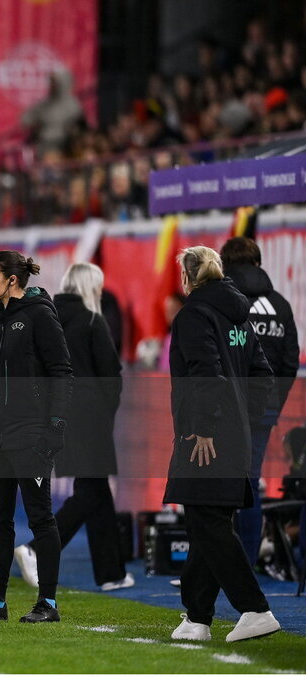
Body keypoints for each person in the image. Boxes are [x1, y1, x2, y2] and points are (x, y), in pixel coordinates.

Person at [164, 246, 280, 643]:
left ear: (188, 276)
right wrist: (240, 421)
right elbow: (263, 377)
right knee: (207, 521)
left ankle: (255, 608)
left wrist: (208, 427)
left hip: (206, 437)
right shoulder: (240, 317)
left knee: (207, 523)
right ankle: (197, 619)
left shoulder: (193, 315)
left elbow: (206, 375)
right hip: (233, 434)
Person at [0, 251, 73, 624]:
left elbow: (61, 372)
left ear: (11, 280)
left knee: (41, 518)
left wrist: (54, 426)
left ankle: (48, 604)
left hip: (31, 434)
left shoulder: (40, 315)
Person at [12, 263, 132, 592]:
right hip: (91, 415)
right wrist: (108, 411)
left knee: (95, 488)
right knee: (90, 491)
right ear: (90, 287)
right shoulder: (93, 321)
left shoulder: (46, 321)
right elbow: (111, 374)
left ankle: (112, 573)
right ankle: (36, 549)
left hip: (58, 414)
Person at [220, 237, 300, 565]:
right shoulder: (280, 305)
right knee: (249, 481)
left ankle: (220, 565)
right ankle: (248, 564)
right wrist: (273, 405)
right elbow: (290, 360)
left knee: (216, 484)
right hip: (263, 407)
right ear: (257, 262)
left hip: (226, 407)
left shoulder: (221, 301)